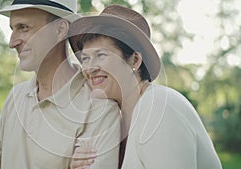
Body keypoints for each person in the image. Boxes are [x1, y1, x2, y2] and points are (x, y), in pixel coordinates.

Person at [68, 4, 223, 169]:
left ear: (135, 60)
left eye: (101, 55)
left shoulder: (158, 107)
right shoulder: (115, 123)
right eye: (85, 58)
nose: (90, 68)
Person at [0, 0, 121, 169]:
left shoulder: (99, 109)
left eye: (23, 27)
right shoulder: (15, 96)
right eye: (12, 29)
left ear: (60, 30)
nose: (12, 43)